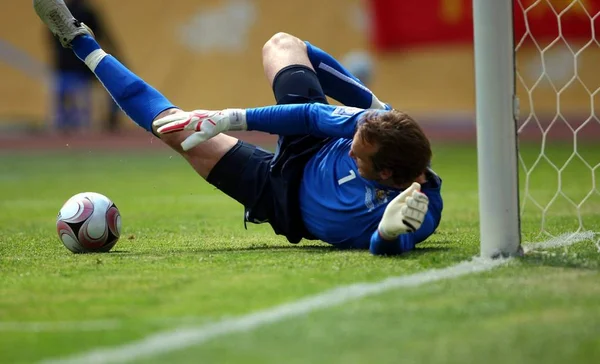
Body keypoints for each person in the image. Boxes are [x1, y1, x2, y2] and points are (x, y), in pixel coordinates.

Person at [33, 0, 443, 256]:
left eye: (359, 150)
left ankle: (77, 40)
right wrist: (227, 118)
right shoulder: (367, 127)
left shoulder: (418, 208)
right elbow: (312, 117)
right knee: (282, 44)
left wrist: (388, 237)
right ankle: (74, 34)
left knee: (171, 128)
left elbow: (397, 241)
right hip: (309, 147)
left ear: (387, 174)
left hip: (280, 198)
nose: (352, 146)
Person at [47, 0, 121, 133]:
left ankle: (64, 127)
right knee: (81, 100)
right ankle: (82, 129)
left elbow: (50, 38)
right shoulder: (87, 11)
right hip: (82, 62)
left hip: (64, 63)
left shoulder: (59, 14)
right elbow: (101, 34)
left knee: (65, 100)